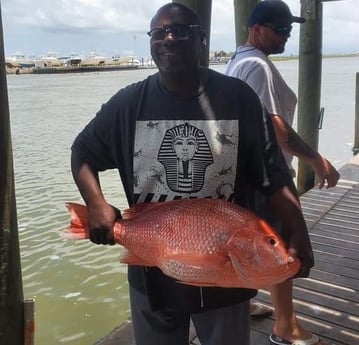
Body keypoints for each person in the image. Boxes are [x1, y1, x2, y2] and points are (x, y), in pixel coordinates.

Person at [70, 3, 314, 345]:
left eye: (182, 30)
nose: (169, 38)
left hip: (227, 278)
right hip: (152, 270)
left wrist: (300, 233)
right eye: (159, 32)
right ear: (151, 42)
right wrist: (95, 203)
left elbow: (274, 176)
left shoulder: (237, 98)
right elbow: (82, 152)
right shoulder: (127, 104)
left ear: (202, 39)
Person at [225, 1, 340, 345]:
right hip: (266, 176)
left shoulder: (238, 61)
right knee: (282, 245)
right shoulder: (257, 66)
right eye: (280, 29)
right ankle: (285, 327)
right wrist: (316, 159)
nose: (287, 36)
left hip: (242, 173)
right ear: (256, 29)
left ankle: (239, 304)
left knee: (249, 242)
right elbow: (276, 129)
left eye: (290, 29)